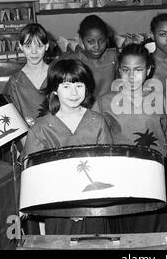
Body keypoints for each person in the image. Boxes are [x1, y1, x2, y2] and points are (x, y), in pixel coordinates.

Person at [21, 58, 113, 235]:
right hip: (58, 211)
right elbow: (34, 175)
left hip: (94, 208)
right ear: (55, 90)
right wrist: (67, 206)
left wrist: (85, 205)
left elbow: (107, 167)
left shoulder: (97, 122)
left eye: (79, 85)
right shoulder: (41, 128)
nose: (73, 92)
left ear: (87, 88)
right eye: (66, 86)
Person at [92, 43, 167, 233]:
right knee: (122, 234)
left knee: (152, 234)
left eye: (138, 70)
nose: (131, 76)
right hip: (118, 177)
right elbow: (91, 137)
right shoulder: (105, 102)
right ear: (119, 70)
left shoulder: (161, 101)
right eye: (126, 70)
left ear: (149, 70)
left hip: (154, 176)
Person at [4, 23, 51, 127]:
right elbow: (12, 119)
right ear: (21, 46)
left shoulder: (56, 76)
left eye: (39, 46)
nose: (34, 52)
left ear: (47, 46)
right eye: (28, 46)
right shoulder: (15, 82)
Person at [62, 15, 118, 100]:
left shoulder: (114, 57)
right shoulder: (72, 62)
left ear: (107, 39)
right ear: (81, 40)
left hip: (109, 109)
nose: (97, 46)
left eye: (101, 41)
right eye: (90, 42)